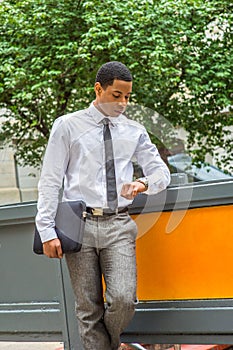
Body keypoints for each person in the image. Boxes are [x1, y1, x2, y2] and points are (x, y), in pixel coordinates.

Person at [36, 61, 170, 350]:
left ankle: (109, 344)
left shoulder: (134, 130)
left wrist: (142, 184)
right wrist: (46, 229)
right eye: (116, 95)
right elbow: (50, 179)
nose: (123, 103)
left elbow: (162, 173)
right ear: (99, 89)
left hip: (119, 223)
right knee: (88, 308)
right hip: (77, 225)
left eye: (128, 97)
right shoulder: (68, 126)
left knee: (123, 298)